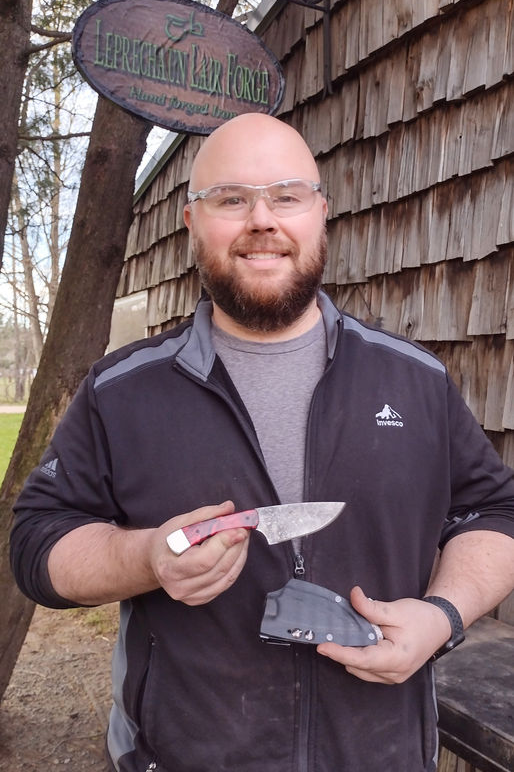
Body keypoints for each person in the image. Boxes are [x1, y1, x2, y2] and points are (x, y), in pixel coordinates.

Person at [10, 113, 514, 772]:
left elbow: (494, 513)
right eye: (231, 199)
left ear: (319, 212)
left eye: (286, 195)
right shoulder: (120, 391)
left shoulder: (415, 381)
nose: (262, 219)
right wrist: (144, 558)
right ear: (191, 221)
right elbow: (37, 543)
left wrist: (442, 616)